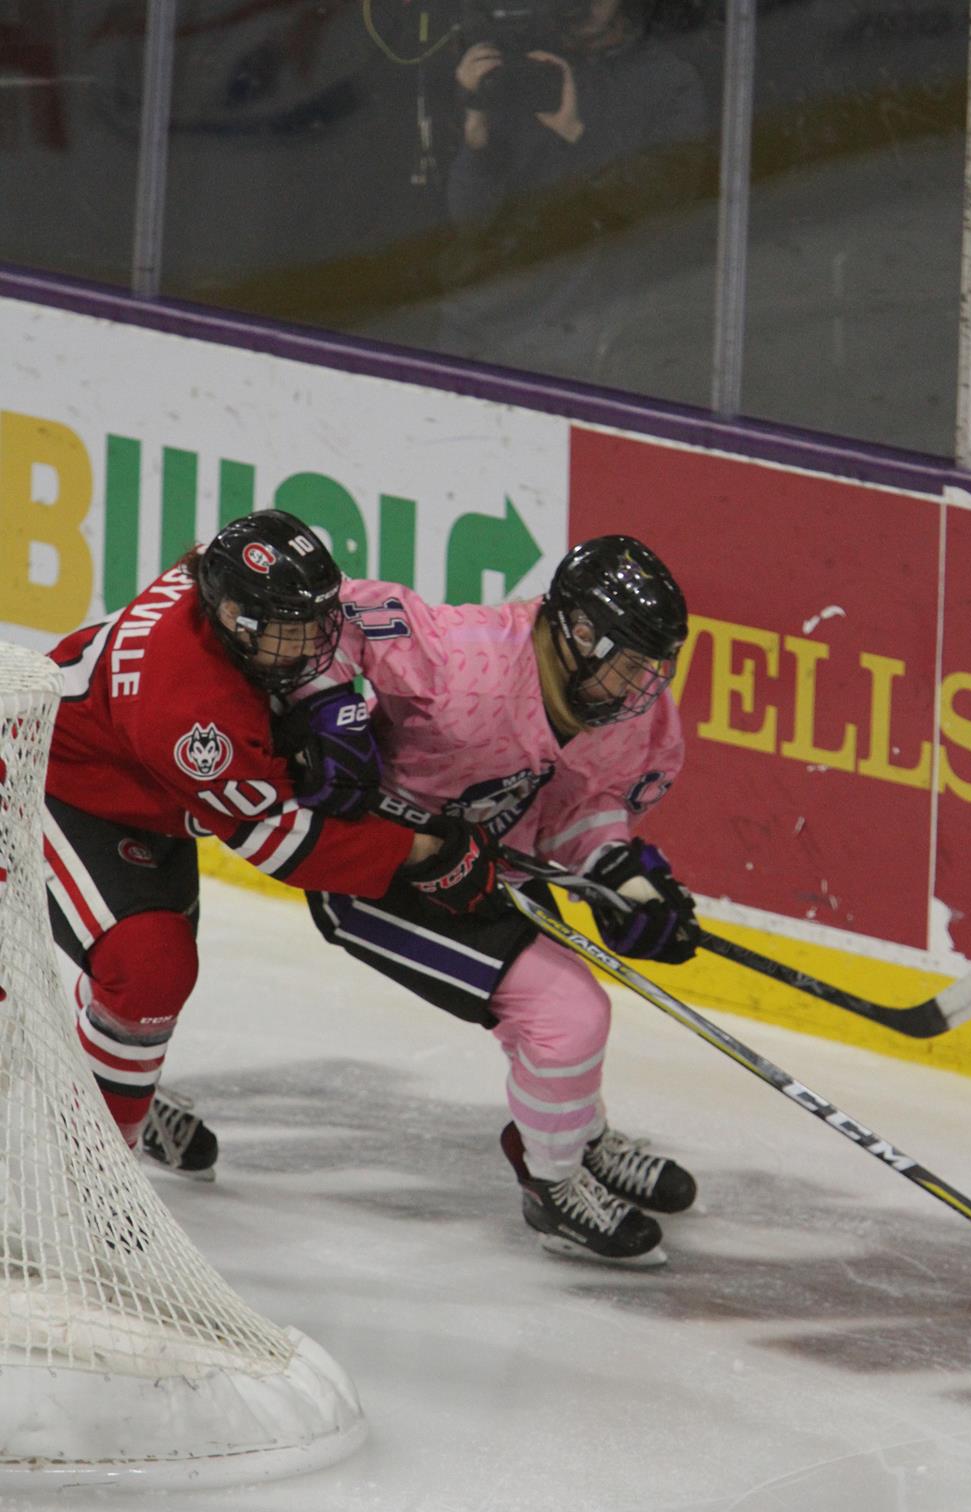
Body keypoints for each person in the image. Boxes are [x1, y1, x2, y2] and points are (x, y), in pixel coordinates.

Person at [43, 510, 490, 1179]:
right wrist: (416, 852)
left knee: (142, 989)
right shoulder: (191, 718)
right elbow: (282, 843)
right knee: (148, 967)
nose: (313, 642)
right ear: (232, 617)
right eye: (291, 630)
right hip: (54, 783)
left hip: (142, 793)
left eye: (317, 621)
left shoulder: (218, 581)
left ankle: (104, 1082)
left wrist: (317, 703)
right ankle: (95, 1180)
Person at [296, 534, 702, 1266]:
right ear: (579, 633)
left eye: (653, 665)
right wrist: (329, 713)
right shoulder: (462, 662)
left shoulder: (620, 712)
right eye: (631, 661)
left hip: (482, 866)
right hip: (378, 870)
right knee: (567, 1014)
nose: (644, 684)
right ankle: (552, 1187)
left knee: (558, 1021)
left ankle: (571, 1130)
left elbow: (577, 809)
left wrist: (619, 871)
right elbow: (331, 614)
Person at [439, 0, 709, 381]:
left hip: (590, 341)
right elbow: (467, 217)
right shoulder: (521, 61)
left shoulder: (669, 80)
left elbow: (665, 202)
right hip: (480, 333)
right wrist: (476, 129)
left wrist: (578, 136)